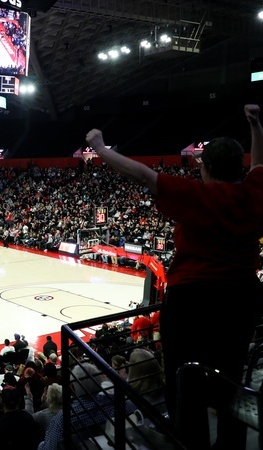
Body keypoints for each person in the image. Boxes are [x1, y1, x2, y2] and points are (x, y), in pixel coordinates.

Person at [85, 103, 263, 450]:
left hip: (194, 300)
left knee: (185, 381)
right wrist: (255, 125)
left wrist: (102, 149)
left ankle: (190, 443)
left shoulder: (198, 195)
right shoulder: (255, 192)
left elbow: (142, 175)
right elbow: (260, 163)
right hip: (242, 297)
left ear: (206, 168)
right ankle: (230, 444)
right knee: (230, 376)